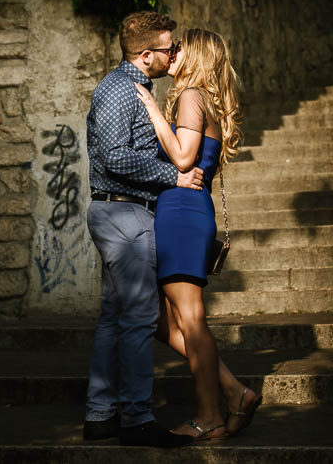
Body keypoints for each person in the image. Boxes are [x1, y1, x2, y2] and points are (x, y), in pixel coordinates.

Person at [134, 28, 262, 441]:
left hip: (183, 214)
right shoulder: (203, 100)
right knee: (158, 318)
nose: (172, 53)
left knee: (190, 319)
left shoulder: (190, 98)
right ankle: (233, 390)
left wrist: (154, 112)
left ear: (198, 55)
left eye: (179, 48)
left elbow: (185, 157)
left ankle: (209, 416)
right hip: (185, 212)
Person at [83, 11, 204, 448]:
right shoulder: (121, 89)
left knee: (114, 317)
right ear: (147, 53)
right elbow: (114, 156)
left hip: (121, 214)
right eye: (169, 48)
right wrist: (174, 176)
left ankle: (100, 416)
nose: (174, 55)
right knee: (138, 319)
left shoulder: (132, 89)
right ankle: (136, 419)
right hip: (124, 215)